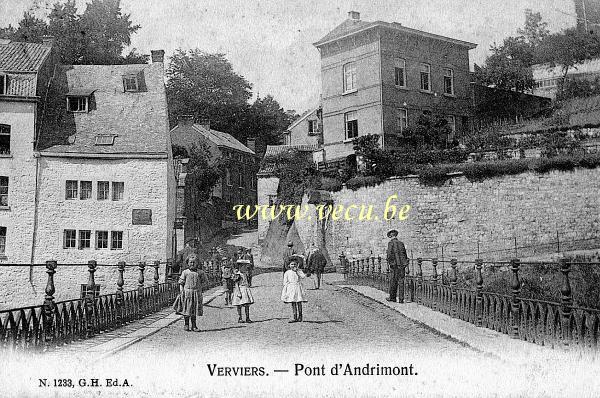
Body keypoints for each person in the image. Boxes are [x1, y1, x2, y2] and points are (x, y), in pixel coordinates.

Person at [177, 254, 207, 331]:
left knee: (194, 309)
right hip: (187, 293)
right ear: (187, 263)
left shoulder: (200, 273)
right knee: (187, 309)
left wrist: (200, 290)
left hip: (196, 293)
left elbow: (204, 282)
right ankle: (186, 324)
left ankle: (194, 325)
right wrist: (181, 291)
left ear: (197, 263)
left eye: (194, 262)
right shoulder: (185, 272)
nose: (192, 264)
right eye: (190, 262)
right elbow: (181, 283)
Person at [385, 229, 410, 303]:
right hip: (402, 265)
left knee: (393, 281)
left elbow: (389, 255)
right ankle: (401, 299)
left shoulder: (390, 243)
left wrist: (390, 263)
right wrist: (404, 263)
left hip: (394, 266)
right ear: (396, 235)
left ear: (390, 236)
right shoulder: (401, 243)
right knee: (401, 281)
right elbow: (405, 254)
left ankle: (392, 298)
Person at [281, 258, 307, 322]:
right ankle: (294, 317)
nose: (293, 266)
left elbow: (303, 276)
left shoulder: (299, 271)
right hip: (291, 288)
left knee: (299, 301)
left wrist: (297, 271)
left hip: (297, 287)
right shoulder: (287, 272)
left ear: (297, 265)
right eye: (292, 264)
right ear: (289, 265)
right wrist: (286, 290)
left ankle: (300, 316)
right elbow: (285, 282)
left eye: (295, 264)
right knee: (293, 302)